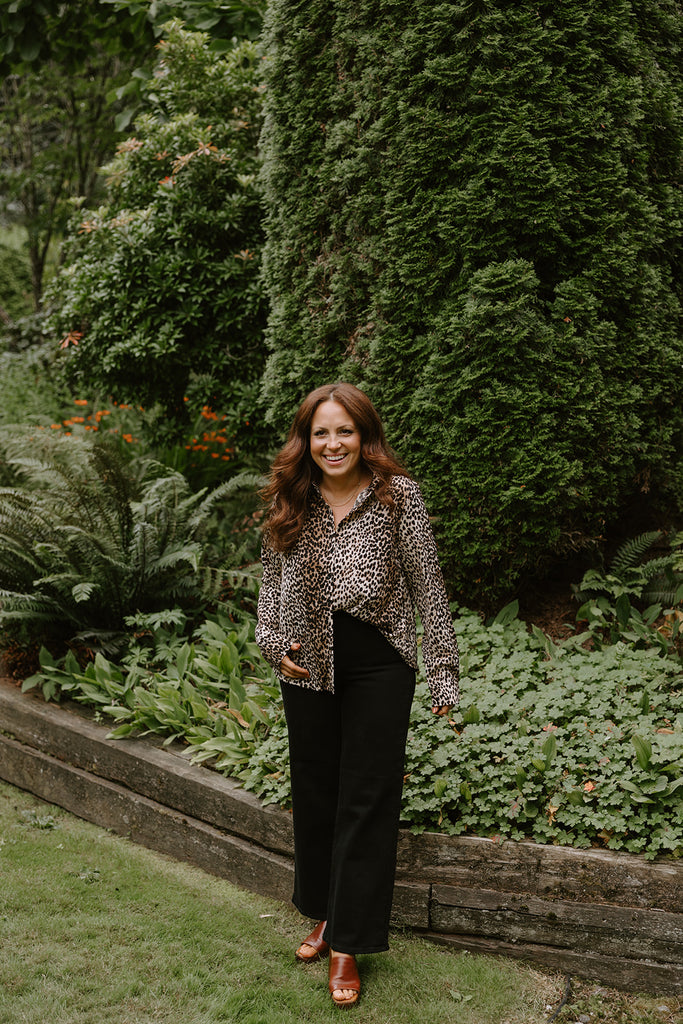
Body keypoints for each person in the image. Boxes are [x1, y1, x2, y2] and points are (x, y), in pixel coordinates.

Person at [255, 382, 459, 1008]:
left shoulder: (400, 499)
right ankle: (322, 911)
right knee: (317, 793)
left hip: (378, 663)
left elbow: (429, 587)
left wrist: (443, 670)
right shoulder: (294, 498)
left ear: (365, 436)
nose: (332, 443)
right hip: (306, 662)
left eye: (344, 431)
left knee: (366, 799)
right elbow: (269, 581)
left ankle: (348, 943)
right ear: (306, 439)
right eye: (321, 432)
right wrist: (270, 641)